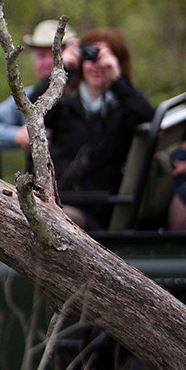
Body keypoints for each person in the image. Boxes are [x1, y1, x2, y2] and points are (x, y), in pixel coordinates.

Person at [45, 28, 154, 229]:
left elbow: (150, 119)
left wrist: (117, 81)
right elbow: (33, 112)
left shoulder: (125, 107)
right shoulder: (65, 103)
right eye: (90, 57)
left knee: (49, 217)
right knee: (36, 211)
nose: (97, 66)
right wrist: (61, 70)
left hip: (97, 209)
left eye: (105, 58)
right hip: (56, 199)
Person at [0, 19, 75, 152]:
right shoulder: (27, 97)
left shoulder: (89, 93)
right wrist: (17, 135)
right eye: (41, 56)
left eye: (55, 54)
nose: (48, 62)